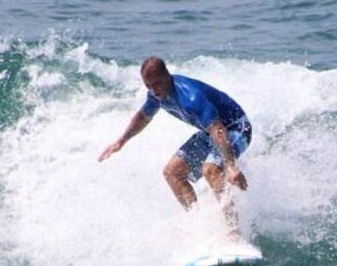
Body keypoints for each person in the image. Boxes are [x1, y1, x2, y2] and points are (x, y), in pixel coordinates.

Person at [99, 56, 251, 229]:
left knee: (211, 169)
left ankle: (233, 232)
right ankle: (199, 227)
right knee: (173, 172)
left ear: (167, 75)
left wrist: (230, 166)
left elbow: (219, 130)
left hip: (236, 128)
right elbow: (143, 117)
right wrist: (121, 140)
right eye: (148, 86)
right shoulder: (156, 96)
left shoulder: (192, 97)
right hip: (210, 132)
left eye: (156, 84)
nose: (153, 90)